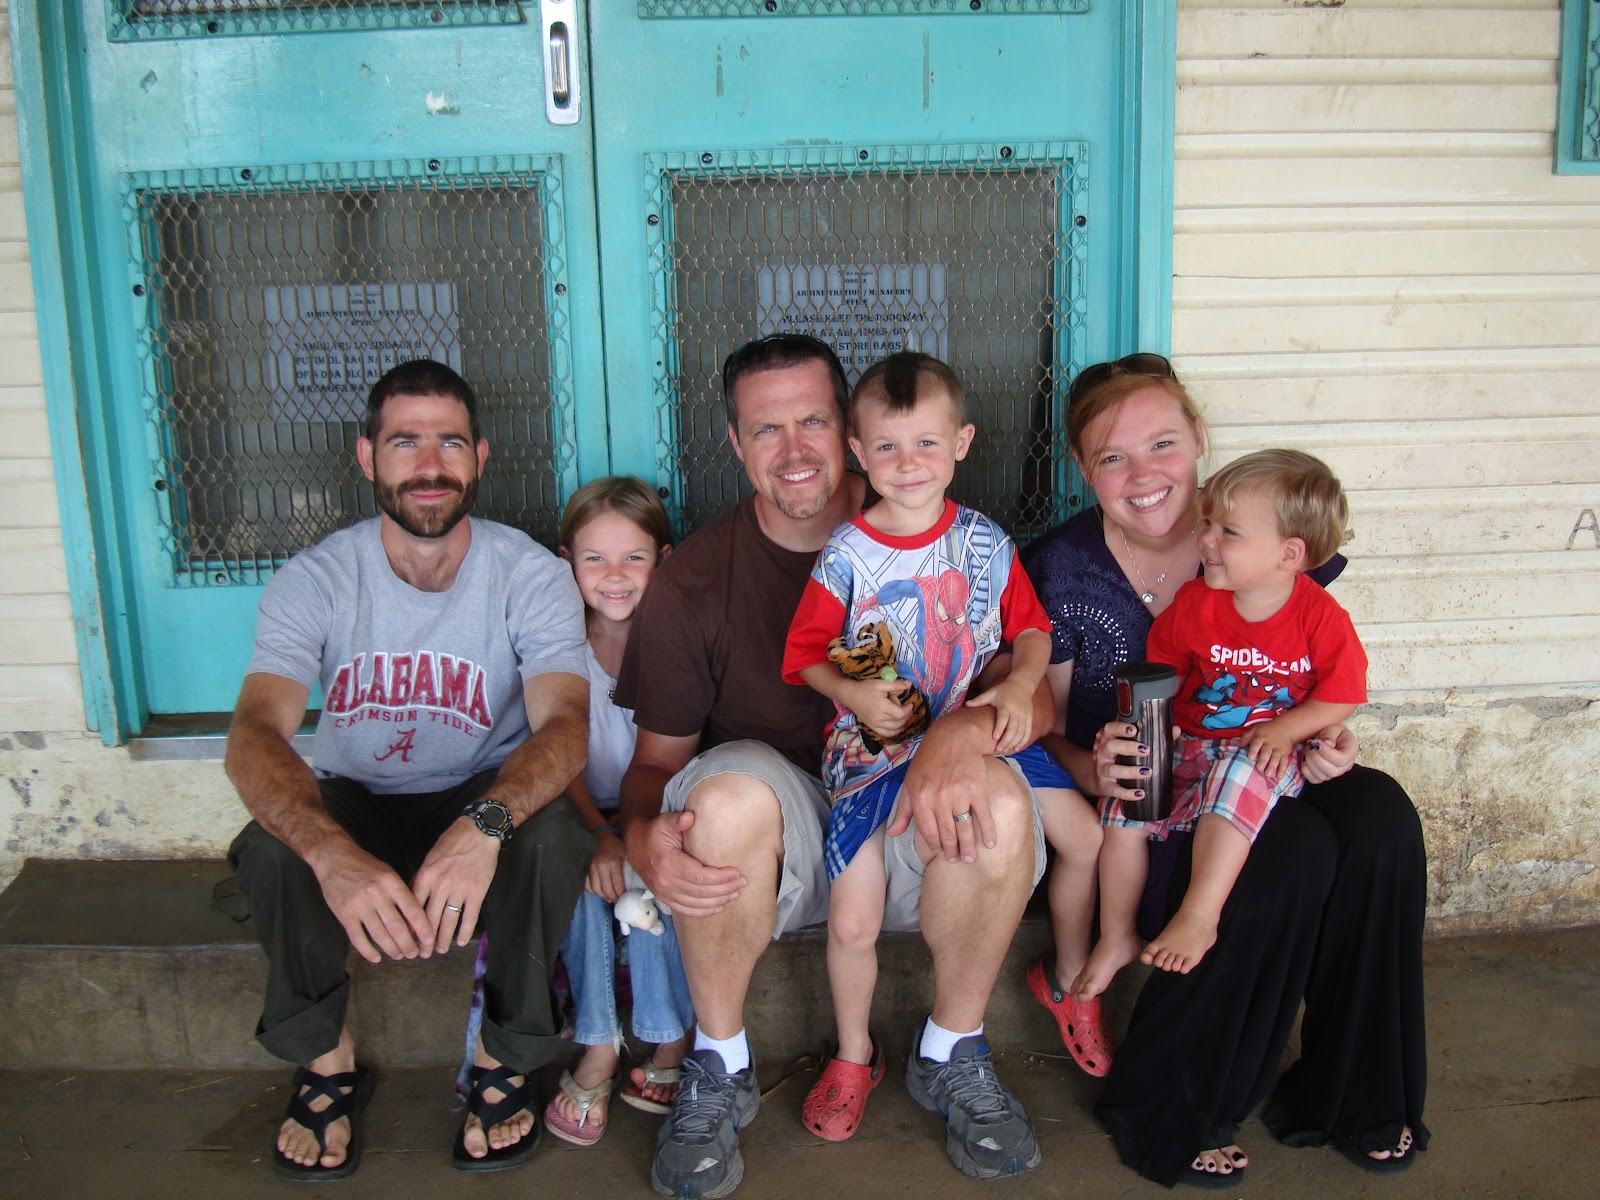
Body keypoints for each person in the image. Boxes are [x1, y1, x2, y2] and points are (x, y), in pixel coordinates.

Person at [615, 334, 1053, 1198]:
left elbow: (1032, 699)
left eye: (811, 421)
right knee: (720, 798)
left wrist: (962, 734)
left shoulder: (953, 536)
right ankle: (720, 1063)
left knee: (999, 797)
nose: (794, 450)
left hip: (912, 826)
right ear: (735, 443)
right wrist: (638, 838)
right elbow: (655, 764)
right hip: (779, 853)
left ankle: (952, 1051)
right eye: (765, 428)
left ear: (845, 429)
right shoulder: (695, 580)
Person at [1025, 354, 1428, 1188]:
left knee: (1381, 819)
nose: (1144, 476)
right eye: (1113, 457)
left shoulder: (1263, 527)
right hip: (1154, 790)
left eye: (1163, 444)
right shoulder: (1060, 569)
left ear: (1200, 439)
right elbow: (1041, 728)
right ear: (1082, 469)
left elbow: (1313, 671)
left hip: (1266, 760)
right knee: (1295, 855)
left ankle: (1356, 1092)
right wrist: (1091, 766)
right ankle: (1175, 1105)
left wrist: (1331, 740)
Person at [224, 359, 593, 1180]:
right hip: (358, 801)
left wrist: (485, 826)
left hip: (478, 796)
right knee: (275, 843)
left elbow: (566, 728)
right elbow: (253, 735)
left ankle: (506, 1056)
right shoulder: (317, 579)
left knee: (553, 832)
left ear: (480, 456)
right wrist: (328, 851)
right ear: (367, 457)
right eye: (404, 443)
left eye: (449, 443)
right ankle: (325, 1058)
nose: (430, 466)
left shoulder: (529, 573)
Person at [780, 352, 1086, 1142]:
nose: (908, 464)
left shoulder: (985, 543)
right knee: (853, 921)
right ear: (858, 451)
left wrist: (1020, 686)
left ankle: (1067, 982)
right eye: (887, 447)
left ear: (962, 443)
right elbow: (806, 653)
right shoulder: (846, 555)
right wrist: (852, 694)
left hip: (970, 739)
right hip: (873, 755)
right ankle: (854, 1053)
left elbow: (1030, 630)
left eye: (926, 443)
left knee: (1085, 836)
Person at [1075, 448, 1367, 1003]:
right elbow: (1163, 671)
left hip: (1265, 754)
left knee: (1236, 775)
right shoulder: (1197, 602)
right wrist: (1149, 729)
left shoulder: (1320, 618)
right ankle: (1116, 935)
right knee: (1127, 800)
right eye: (1207, 523)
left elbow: (1343, 694)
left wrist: (1288, 729)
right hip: (1194, 741)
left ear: (1289, 554)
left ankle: (1199, 916)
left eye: (1227, 531)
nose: (1206, 539)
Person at [543, 476, 695, 1147]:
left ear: (664, 559)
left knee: (656, 872)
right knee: (577, 871)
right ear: (566, 564)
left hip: (658, 806)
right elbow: (557, 759)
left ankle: (669, 1035)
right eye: (594, 559)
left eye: (634, 557)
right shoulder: (558, 648)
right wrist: (602, 835)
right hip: (580, 808)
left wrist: (632, 837)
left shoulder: (678, 640)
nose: (614, 576)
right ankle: (600, 1041)